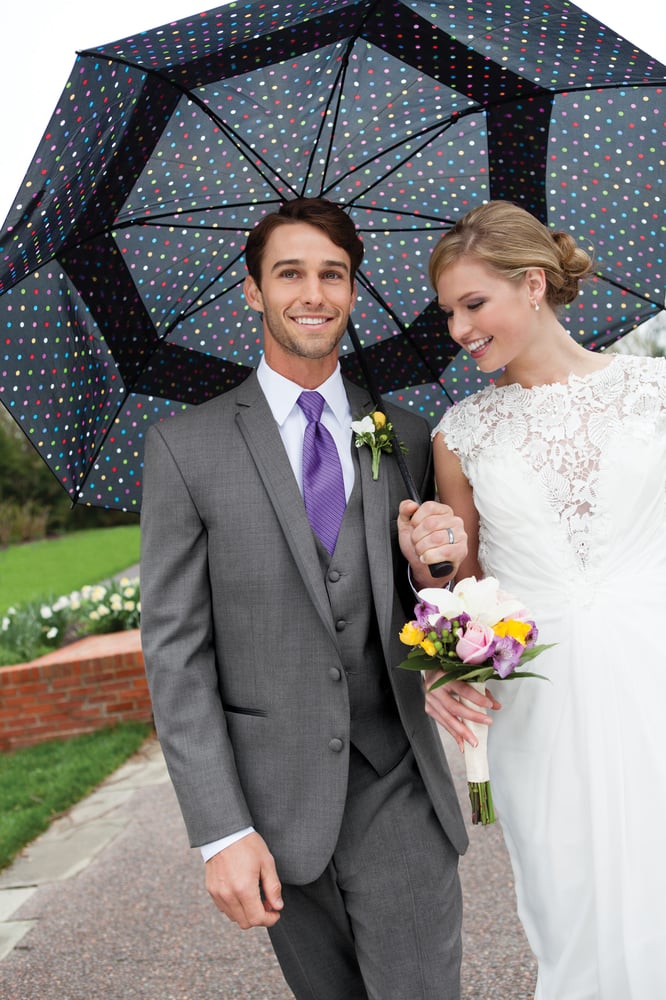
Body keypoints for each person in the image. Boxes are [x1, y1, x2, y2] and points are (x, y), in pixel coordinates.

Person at [140, 197, 479, 1000]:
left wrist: (432, 570)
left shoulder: (402, 432)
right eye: (289, 274)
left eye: (333, 274)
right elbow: (176, 653)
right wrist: (220, 829)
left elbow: (439, 609)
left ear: (353, 290)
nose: (314, 294)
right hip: (273, 809)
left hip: (398, 782)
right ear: (253, 292)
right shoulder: (185, 449)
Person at [427, 199, 666, 999]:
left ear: (533, 284)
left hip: (656, 669)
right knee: (570, 904)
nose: (460, 329)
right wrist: (431, 563)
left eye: (473, 303)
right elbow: (462, 587)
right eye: (449, 313)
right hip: (541, 703)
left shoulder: (655, 390)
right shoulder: (460, 434)